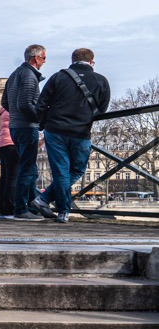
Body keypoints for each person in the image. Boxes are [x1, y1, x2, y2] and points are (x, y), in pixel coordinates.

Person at [34, 48, 110, 223]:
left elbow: (42, 104)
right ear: (92, 62)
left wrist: (43, 125)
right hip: (82, 132)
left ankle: (61, 210)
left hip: (55, 131)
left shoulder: (58, 77)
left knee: (61, 172)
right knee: (76, 170)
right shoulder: (101, 80)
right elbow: (102, 109)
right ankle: (46, 201)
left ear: (72, 60)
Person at [2, 44, 46, 221]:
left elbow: (6, 102)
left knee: (30, 168)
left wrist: (16, 116)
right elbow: (25, 104)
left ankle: (31, 206)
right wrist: (40, 120)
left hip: (15, 126)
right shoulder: (29, 75)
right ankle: (21, 209)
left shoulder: (14, 75)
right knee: (27, 168)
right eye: (43, 58)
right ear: (36, 58)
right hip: (27, 127)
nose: (43, 62)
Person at [0, 104, 17, 219]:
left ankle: (0, 210)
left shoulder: (4, 110)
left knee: (4, 178)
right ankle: (9, 209)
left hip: (0, 144)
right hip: (10, 143)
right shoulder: (14, 108)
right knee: (12, 178)